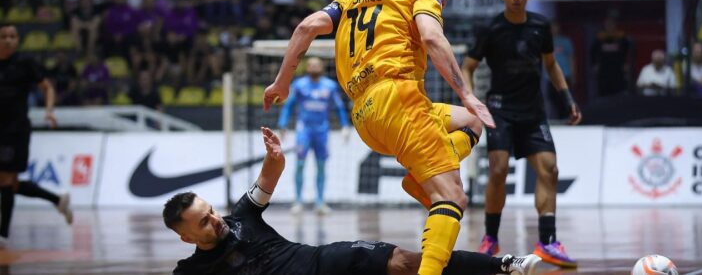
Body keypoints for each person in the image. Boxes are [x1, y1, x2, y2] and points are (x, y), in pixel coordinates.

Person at [264, 0, 496, 275]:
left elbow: (306, 26)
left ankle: (418, 178)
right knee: (453, 196)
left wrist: (282, 83)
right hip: (399, 100)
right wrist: (467, 93)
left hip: (365, 115)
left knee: (469, 122)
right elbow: (431, 36)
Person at [164, 127, 539, 275]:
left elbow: (269, 176)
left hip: (324, 262)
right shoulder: (191, 271)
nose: (215, 220)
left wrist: (274, 157)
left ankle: (504, 265)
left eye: (210, 211)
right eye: (203, 222)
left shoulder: (242, 215)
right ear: (186, 237)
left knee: (407, 262)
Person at [461, 0, 581, 268]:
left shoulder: (541, 26)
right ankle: (490, 237)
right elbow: (467, 67)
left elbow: (551, 65)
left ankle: (549, 241)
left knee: (549, 169)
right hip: (500, 109)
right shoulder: (490, 28)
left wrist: (567, 98)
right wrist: (471, 101)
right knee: (498, 170)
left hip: (533, 111)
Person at [0, 25, 72, 247]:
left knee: (6, 179)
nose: (9, 40)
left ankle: (3, 234)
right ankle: (57, 199)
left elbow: (47, 87)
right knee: (8, 184)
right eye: (4, 37)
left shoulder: (25, 63)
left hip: (15, 130)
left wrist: (49, 111)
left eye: (13, 36)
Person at [277, 57, 351, 215]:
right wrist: (282, 124)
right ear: (307, 67)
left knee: (322, 166)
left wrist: (345, 125)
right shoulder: (299, 85)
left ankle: (320, 202)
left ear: (322, 67)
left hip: (322, 131)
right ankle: (298, 201)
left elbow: (339, 107)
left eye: (317, 64)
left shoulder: (330, 86)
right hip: (304, 131)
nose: (314, 67)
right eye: (311, 65)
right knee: (300, 165)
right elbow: (288, 106)